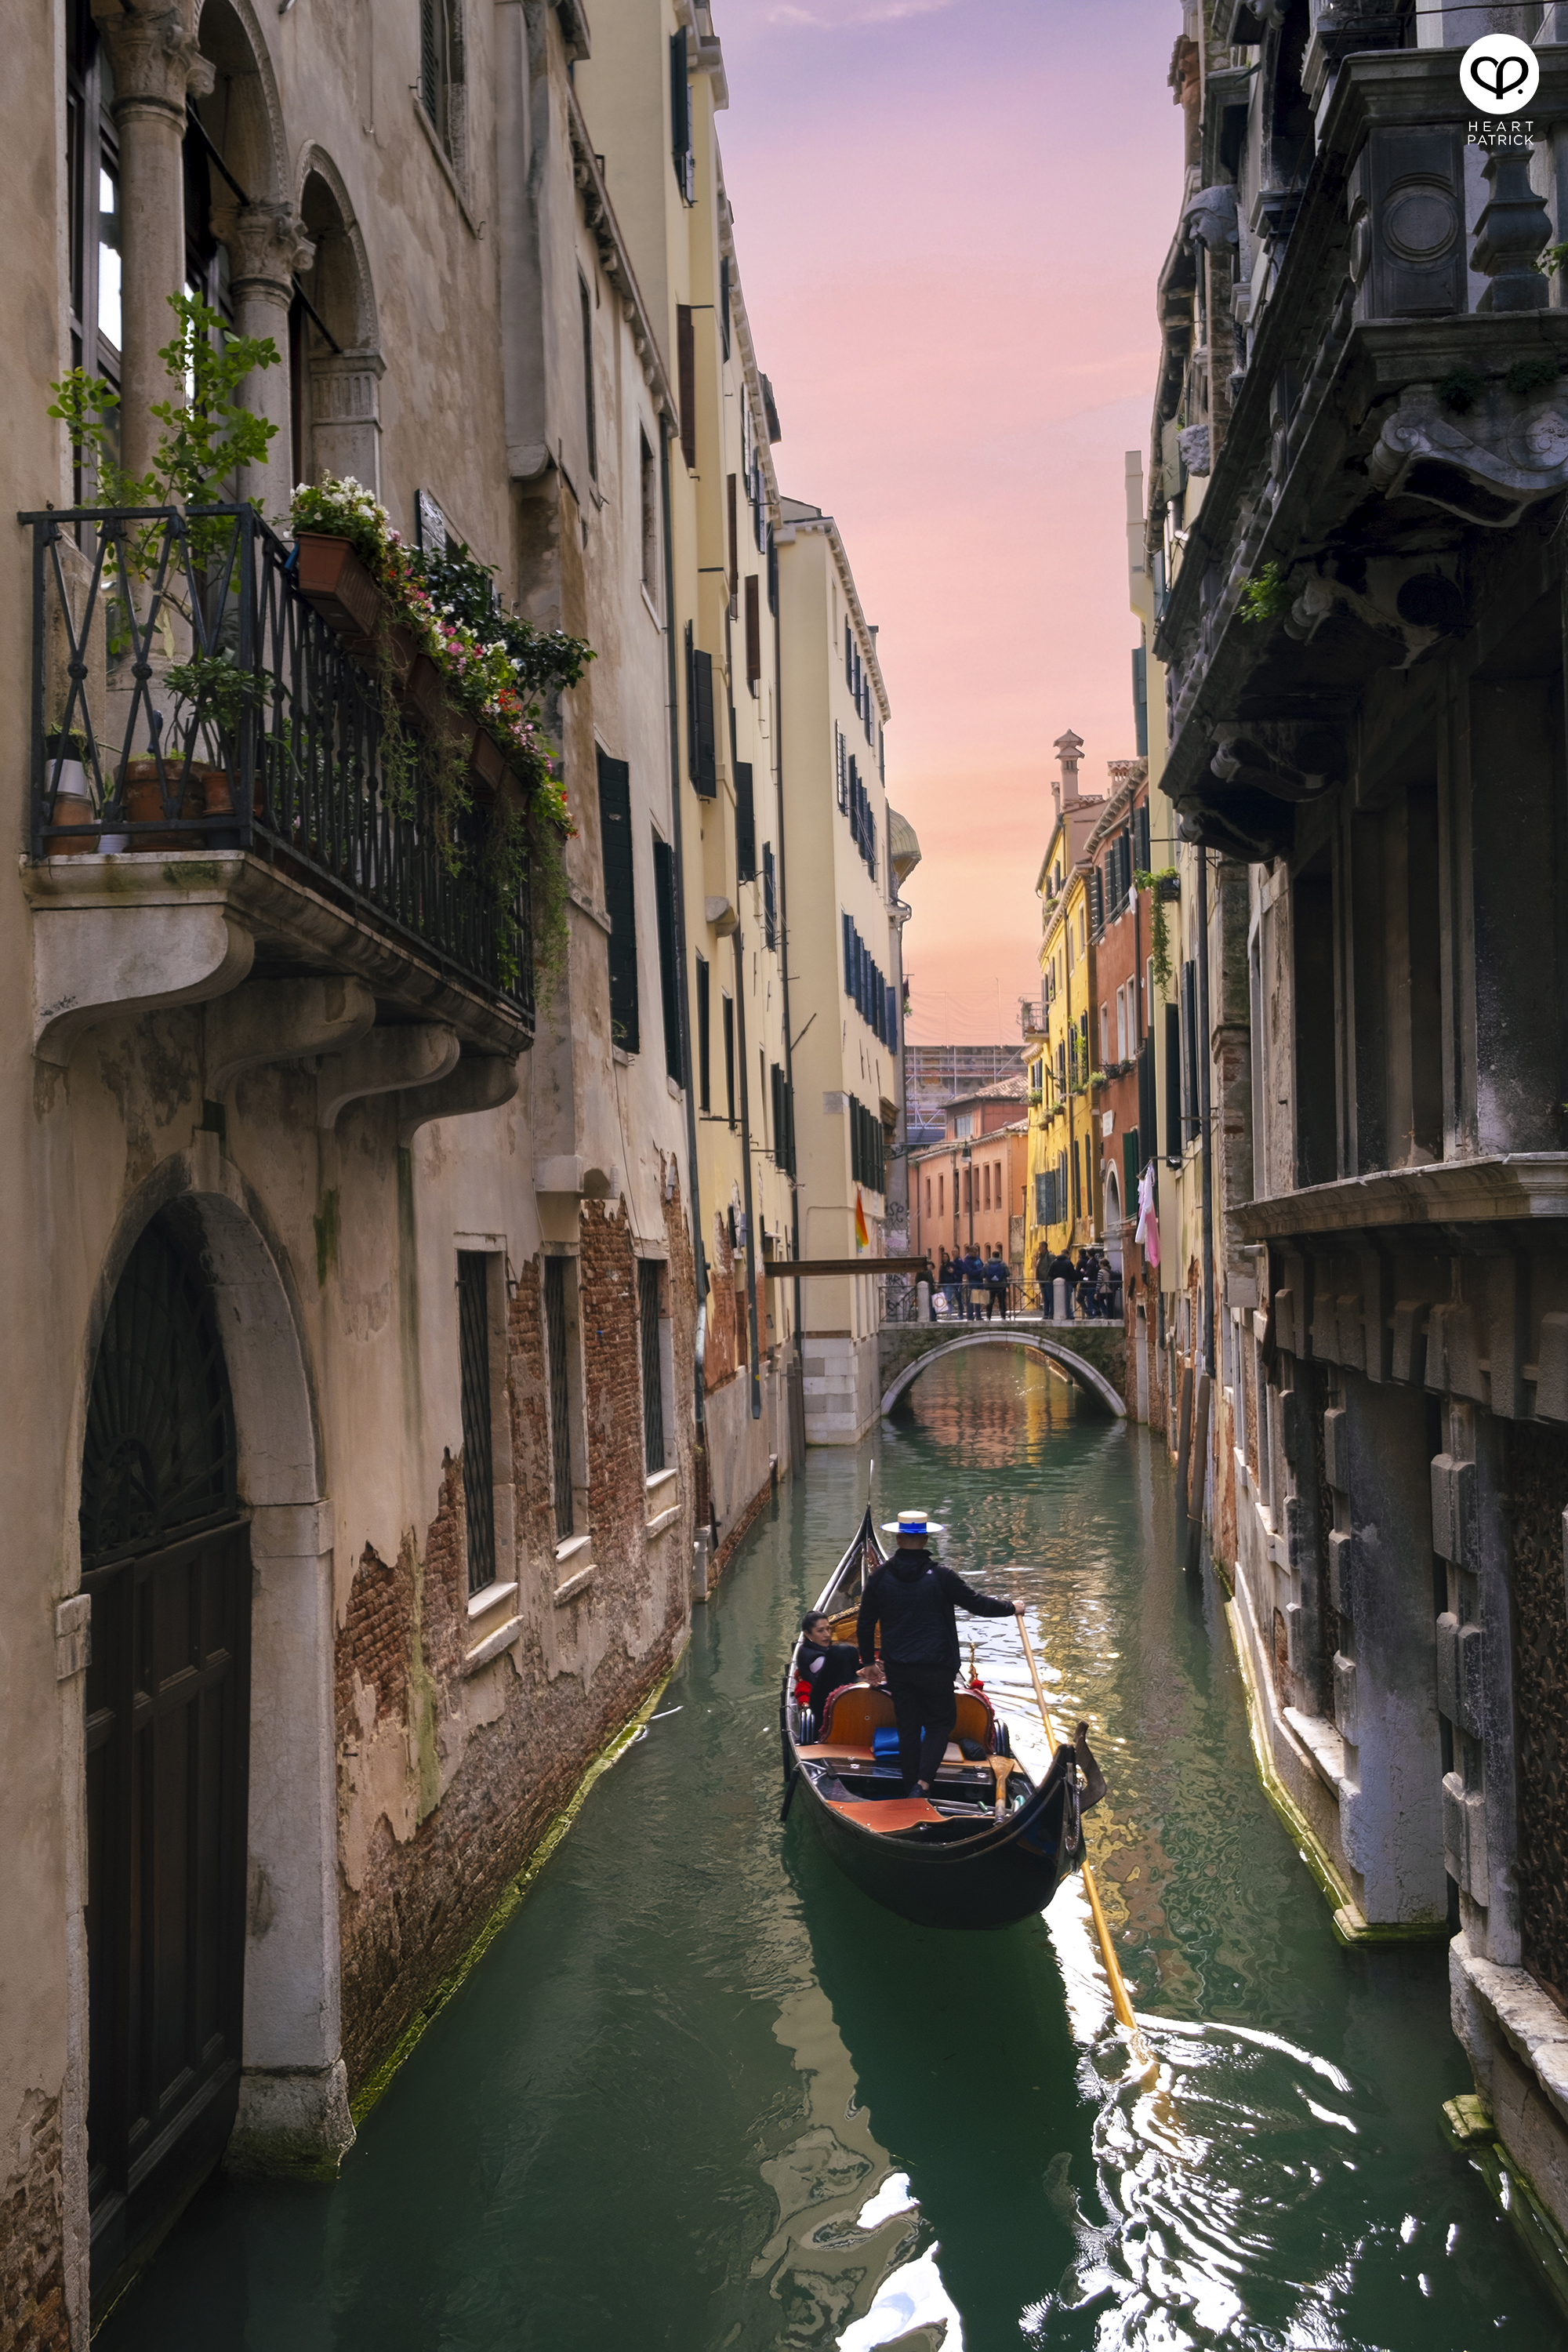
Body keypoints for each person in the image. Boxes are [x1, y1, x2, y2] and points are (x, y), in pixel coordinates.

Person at [858, 1509, 1024, 1797]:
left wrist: (870, 1663)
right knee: (940, 1723)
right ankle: (923, 1784)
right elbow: (979, 1605)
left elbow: (864, 1623)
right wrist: (1012, 1607)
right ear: (924, 1540)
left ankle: (911, 1786)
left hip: (898, 1666)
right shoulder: (942, 1576)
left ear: (898, 1538)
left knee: (908, 1726)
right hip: (936, 1666)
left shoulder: (880, 1577)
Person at [794, 1611, 865, 1725]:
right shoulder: (816, 1659)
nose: (827, 1635)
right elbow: (834, 1680)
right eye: (820, 1631)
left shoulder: (812, 1649)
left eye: (828, 1629)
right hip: (827, 1705)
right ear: (807, 1634)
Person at [985, 1246, 1010, 1321]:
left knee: (990, 1301)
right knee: (1001, 1301)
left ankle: (988, 1317)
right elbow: (1008, 1273)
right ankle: (1003, 1316)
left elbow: (982, 1274)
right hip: (1001, 1285)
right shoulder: (1002, 1263)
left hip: (990, 1285)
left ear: (992, 1255)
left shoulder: (987, 1263)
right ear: (999, 1255)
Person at [963, 1245, 986, 1321]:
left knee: (979, 1299)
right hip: (973, 1281)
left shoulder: (977, 1257)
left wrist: (984, 1270)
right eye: (974, 1252)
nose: (976, 1254)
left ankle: (978, 1316)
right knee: (973, 1299)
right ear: (970, 1252)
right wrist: (980, 1271)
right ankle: (970, 1316)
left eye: (977, 1252)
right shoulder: (967, 1260)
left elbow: (982, 1265)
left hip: (980, 1280)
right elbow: (970, 1272)